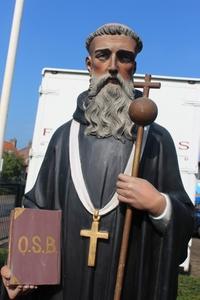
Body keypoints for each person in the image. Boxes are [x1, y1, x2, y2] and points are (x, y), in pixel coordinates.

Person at [1, 23, 194, 300]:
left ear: (133, 66)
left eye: (123, 57)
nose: (113, 66)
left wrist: (159, 205)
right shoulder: (63, 138)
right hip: (64, 285)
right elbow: (38, 208)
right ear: (90, 65)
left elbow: (184, 220)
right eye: (103, 56)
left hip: (130, 284)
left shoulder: (155, 141)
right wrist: (21, 268)